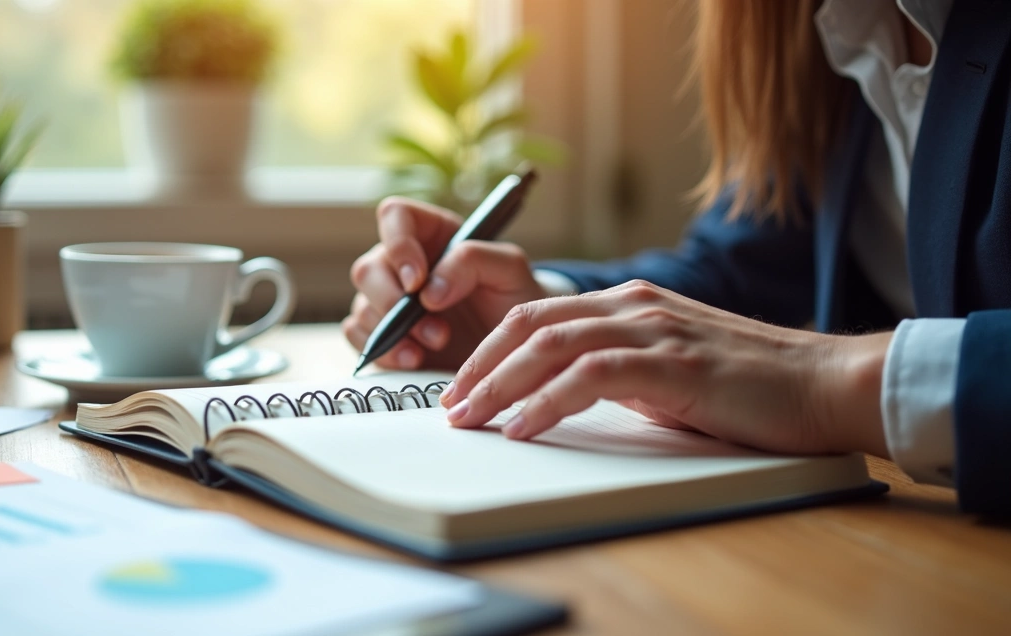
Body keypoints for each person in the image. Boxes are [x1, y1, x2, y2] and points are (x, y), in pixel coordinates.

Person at [342, 0, 1011, 518]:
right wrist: (536, 309)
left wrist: (823, 381)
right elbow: (733, 273)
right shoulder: (822, 25)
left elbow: (769, 348)